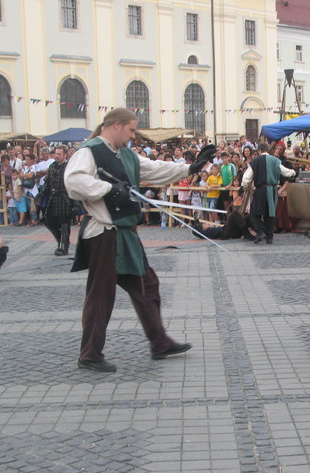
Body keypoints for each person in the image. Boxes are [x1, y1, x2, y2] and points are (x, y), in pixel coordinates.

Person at [63, 107, 214, 372]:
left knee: (147, 286)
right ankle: (89, 354)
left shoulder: (126, 155)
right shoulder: (89, 151)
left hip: (126, 236)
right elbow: (74, 182)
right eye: (131, 129)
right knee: (101, 296)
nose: (133, 135)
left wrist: (190, 167)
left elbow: (155, 169)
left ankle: (160, 343)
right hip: (104, 234)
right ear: (117, 125)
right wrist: (109, 189)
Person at [241, 142, 296, 245]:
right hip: (273, 190)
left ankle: (261, 231)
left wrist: (244, 185)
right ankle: (269, 237)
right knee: (270, 214)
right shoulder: (275, 160)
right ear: (267, 150)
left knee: (254, 212)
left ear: (259, 151)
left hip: (260, 189)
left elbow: (246, 177)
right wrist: (293, 172)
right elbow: (285, 172)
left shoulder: (255, 161)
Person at [42, 146, 73, 256]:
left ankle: (63, 247)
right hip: (53, 198)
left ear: (65, 155)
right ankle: (61, 241)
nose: (56, 155)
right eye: (55, 153)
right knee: (48, 221)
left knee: (64, 223)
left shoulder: (69, 167)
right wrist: (40, 195)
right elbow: (47, 183)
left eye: (59, 154)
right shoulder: (52, 166)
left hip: (65, 199)